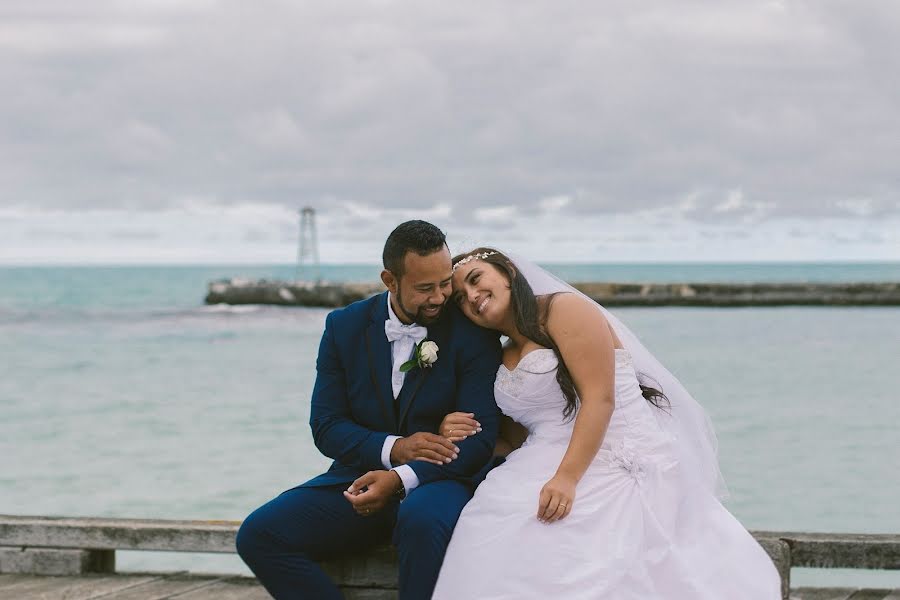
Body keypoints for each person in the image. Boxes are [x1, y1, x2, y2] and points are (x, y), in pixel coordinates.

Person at [431, 248, 781, 599]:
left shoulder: (561, 309)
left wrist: (567, 479)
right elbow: (516, 438)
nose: (472, 297)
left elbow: (600, 398)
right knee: (491, 519)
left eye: (476, 280)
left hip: (614, 448)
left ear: (506, 271)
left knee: (574, 543)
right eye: (460, 298)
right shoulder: (501, 354)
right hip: (542, 455)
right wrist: (460, 431)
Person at [236, 222, 502, 600]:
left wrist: (399, 478)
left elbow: (479, 440)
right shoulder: (343, 327)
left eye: (445, 283)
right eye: (425, 288)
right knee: (259, 534)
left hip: (438, 483)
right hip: (357, 478)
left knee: (423, 520)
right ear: (389, 280)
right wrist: (394, 449)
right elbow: (326, 426)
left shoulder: (473, 333)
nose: (440, 297)